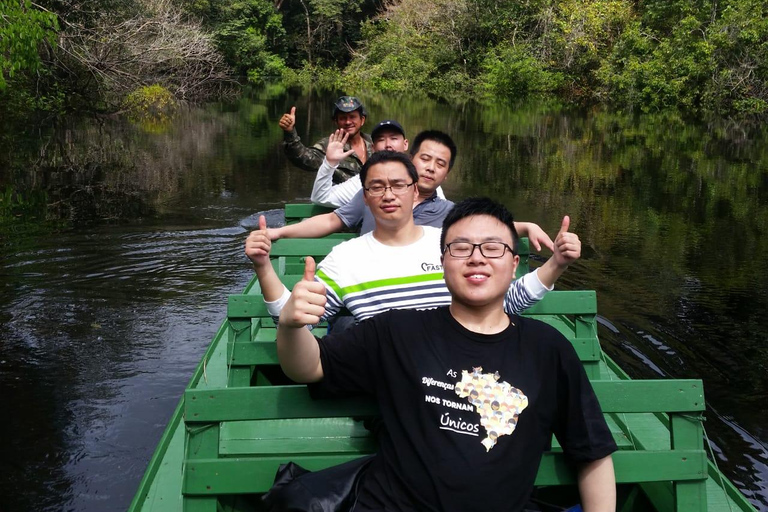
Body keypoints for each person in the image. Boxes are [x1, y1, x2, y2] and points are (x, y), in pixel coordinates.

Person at [274, 196, 617, 512]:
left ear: (514, 265)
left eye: (492, 248)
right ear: (442, 263)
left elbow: (592, 453)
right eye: (461, 247)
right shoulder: (397, 330)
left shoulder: (548, 348)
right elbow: (311, 366)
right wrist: (290, 327)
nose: (477, 257)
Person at [246, 151, 578, 327]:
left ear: (414, 190)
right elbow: (297, 323)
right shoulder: (344, 259)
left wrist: (557, 264)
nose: (388, 194)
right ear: (365, 195)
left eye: (398, 185)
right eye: (377, 187)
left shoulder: (451, 245)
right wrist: (263, 267)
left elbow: (506, 301)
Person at [267, 130, 553, 252]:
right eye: (425, 159)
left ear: (447, 173)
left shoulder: (446, 211)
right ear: (411, 159)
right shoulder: (375, 195)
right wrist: (278, 232)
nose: (430, 168)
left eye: (440, 164)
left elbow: (483, 227)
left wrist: (527, 226)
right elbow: (331, 220)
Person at [311, 120, 413, 208]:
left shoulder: (419, 175)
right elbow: (321, 197)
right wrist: (330, 163)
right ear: (373, 148)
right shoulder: (363, 182)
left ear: (405, 144)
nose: (388, 145)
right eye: (381, 140)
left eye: (394, 138)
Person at [279, 96, 374, 183]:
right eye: (342, 118)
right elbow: (303, 158)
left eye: (352, 117)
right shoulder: (328, 145)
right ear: (335, 121)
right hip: (342, 199)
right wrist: (290, 132)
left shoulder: (375, 142)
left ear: (362, 120)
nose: (348, 122)